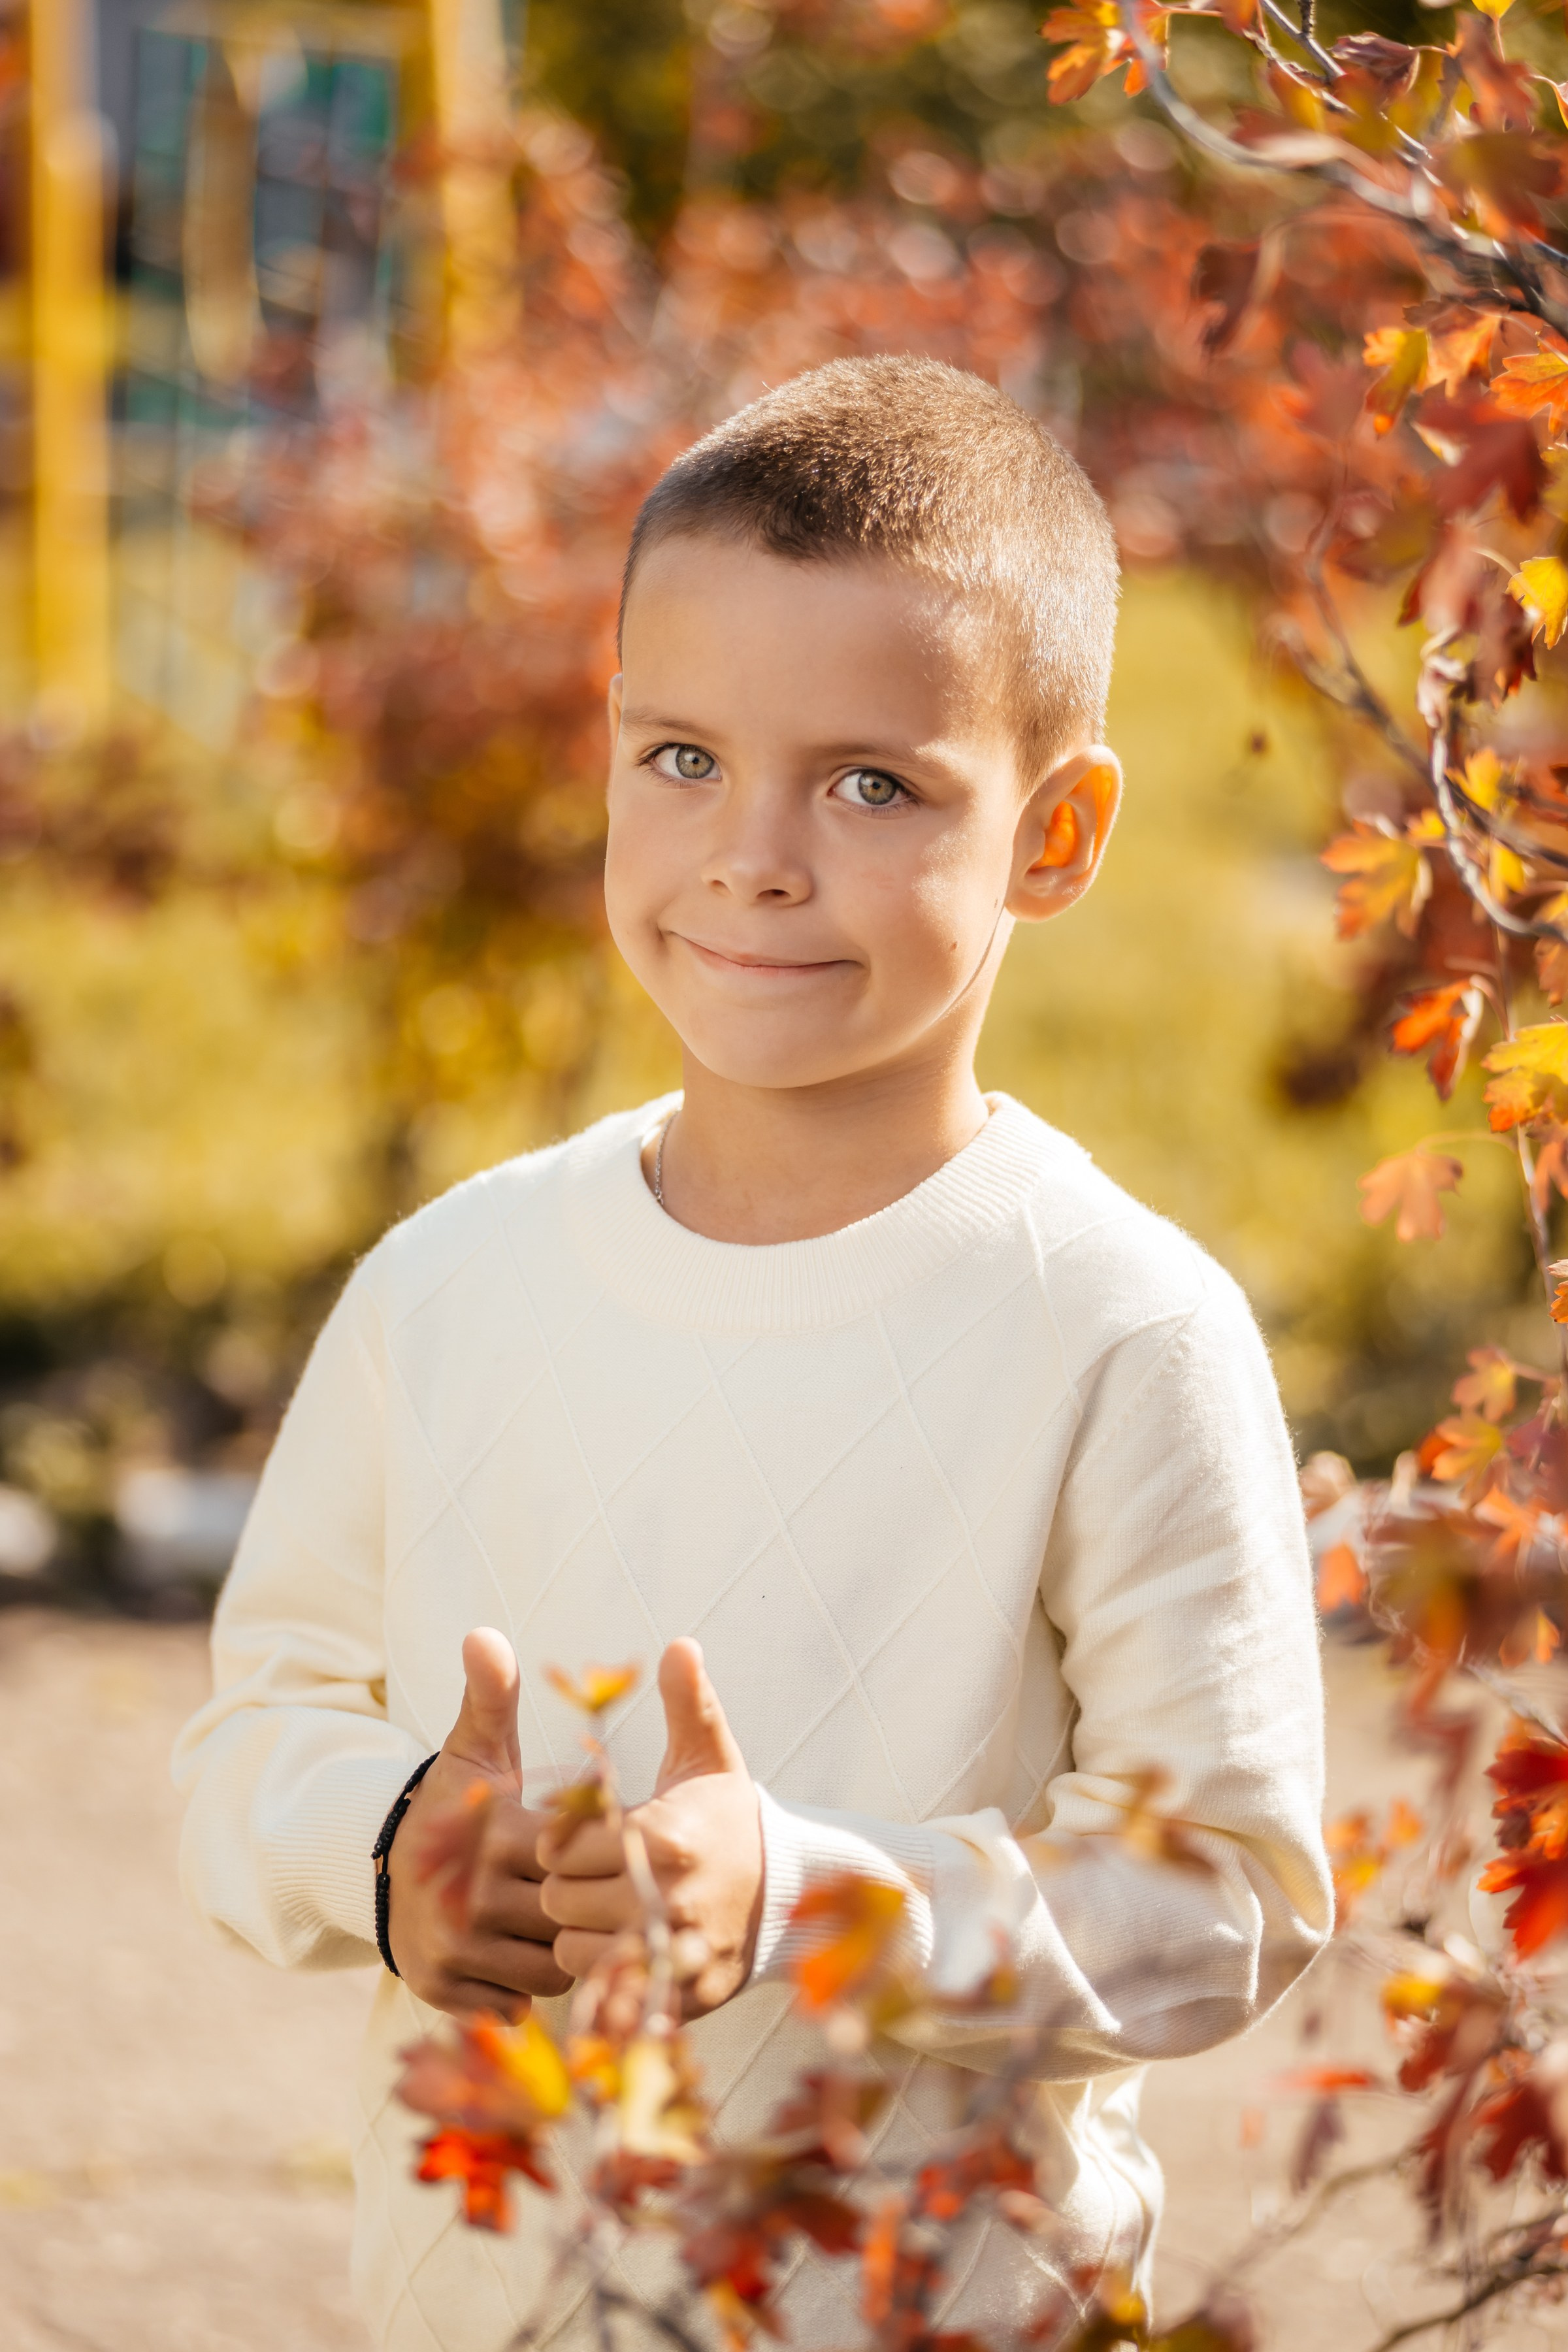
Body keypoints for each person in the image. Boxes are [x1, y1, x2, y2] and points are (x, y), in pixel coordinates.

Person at [173, 355, 1331, 2352]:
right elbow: (247, 1738)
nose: (754, 857)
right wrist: (388, 1850)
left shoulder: (1118, 1328)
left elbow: (1227, 1892)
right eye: (684, 758)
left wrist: (813, 1899)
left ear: (1056, 835)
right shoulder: (448, 1286)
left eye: (873, 784)